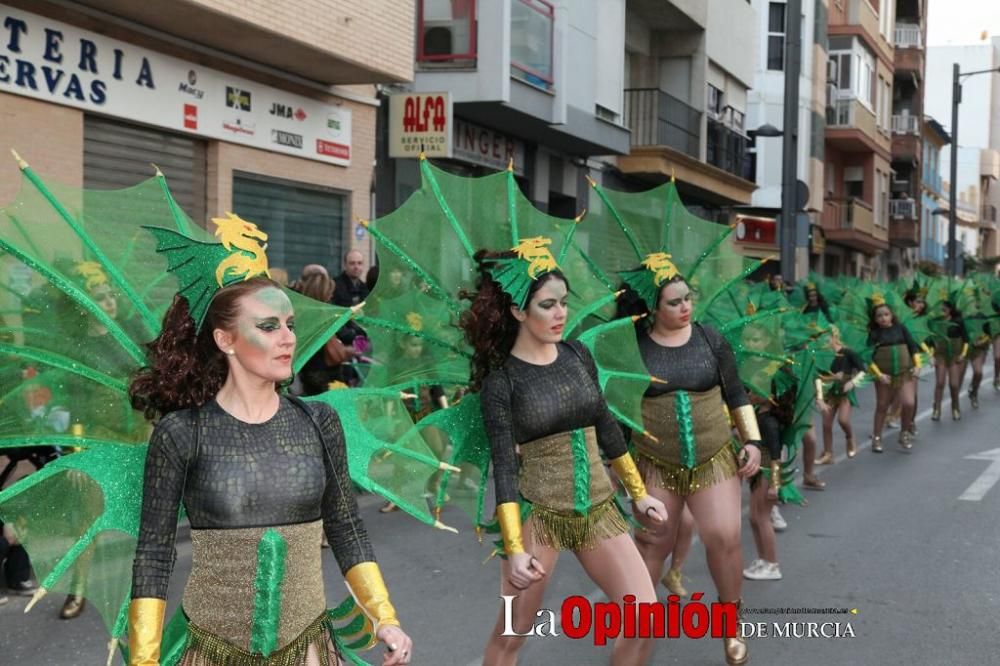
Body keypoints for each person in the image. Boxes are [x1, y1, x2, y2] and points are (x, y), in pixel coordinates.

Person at [127, 265, 411, 663]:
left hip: (308, 647)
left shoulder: (319, 422)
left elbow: (346, 527)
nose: (288, 339)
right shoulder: (181, 432)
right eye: (268, 326)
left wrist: (384, 617)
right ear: (225, 339)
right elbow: (154, 553)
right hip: (213, 651)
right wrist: (143, 659)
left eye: (290, 325)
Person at [463, 248, 667, 666]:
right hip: (539, 516)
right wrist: (516, 549)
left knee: (644, 616)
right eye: (547, 305)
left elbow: (606, 425)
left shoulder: (578, 355)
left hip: (599, 510)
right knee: (511, 635)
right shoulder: (502, 385)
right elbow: (504, 466)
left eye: (563, 302)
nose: (560, 314)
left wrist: (638, 493)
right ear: (519, 312)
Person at [620, 264, 762, 666]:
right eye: (674, 301)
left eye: (688, 298)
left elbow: (736, 394)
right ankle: (638, 627)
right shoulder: (633, 348)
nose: (685, 307)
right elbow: (618, 411)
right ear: (652, 307)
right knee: (651, 544)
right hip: (656, 463)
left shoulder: (711, 339)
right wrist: (620, 469)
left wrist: (752, 441)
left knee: (724, 536)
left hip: (713, 457)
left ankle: (731, 624)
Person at [866, 298, 921, 452]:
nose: (883, 318)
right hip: (884, 375)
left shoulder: (901, 328)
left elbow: (913, 347)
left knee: (909, 403)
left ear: (892, 315)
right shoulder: (874, 334)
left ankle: (904, 433)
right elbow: (867, 357)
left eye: (886, 314)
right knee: (882, 406)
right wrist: (879, 375)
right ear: (875, 319)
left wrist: (917, 366)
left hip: (904, 372)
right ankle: (877, 437)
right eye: (879, 316)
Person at [816, 326, 866, 462]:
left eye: (826, 337)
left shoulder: (847, 352)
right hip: (829, 393)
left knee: (843, 420)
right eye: (820, 338)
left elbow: (863, 370)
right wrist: (819, 397)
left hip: (845, 392)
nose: (824, 341)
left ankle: (850, 437)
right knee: (826, 424)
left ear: (834, 337)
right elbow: (818, 377)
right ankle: (828, 453)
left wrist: (852, 382)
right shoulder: (821, 357)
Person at [930, 300, 968, 421]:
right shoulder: (936, 322)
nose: (942, 310)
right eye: (940, 309)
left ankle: (955, 408)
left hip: (955, 355)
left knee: (954, 384)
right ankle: (936, 409)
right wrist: (931, 355)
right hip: (940, 354)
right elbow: (931, 340)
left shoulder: (958, 321)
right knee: (940, 382)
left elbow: (966, 339)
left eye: (945, 308)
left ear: (950, 309)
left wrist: (963, 354)